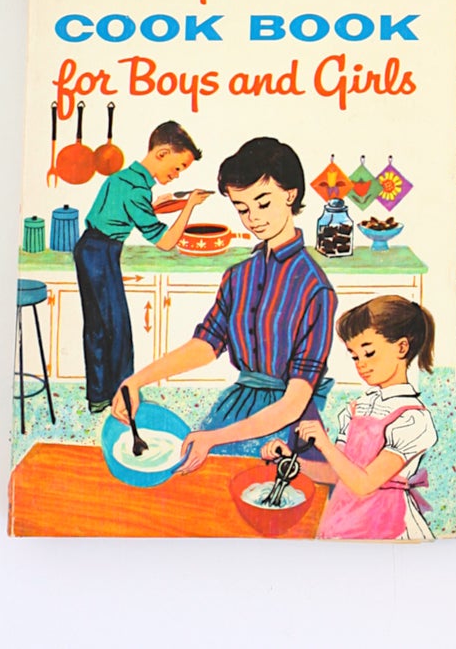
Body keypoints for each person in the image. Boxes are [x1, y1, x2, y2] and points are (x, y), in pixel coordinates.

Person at [112, 137, 337, 472]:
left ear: (290, 195)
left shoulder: (315, 288)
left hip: (286, 426)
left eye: (263, 203)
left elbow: (294, 403)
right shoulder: (238, 275)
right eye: (242, 209)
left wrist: (214, 438)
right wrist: (135, 381)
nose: (253, 218)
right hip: (235, 407)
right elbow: (207, 344)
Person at [267, 296, 437, 541]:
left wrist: (324, 444)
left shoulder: (413, 419)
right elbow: (334, 474)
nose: (361, 365)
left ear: (402, 348)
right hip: (342, 517)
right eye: (355, 357)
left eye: (369, 353)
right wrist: (289, 461)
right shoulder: (359, 408)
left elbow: (364, 484)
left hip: (384, 525)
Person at [74, 120, 207, 413]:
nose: (176, 175)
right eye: (177, 167)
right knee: (117, 328)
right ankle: (123, 396)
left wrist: (159, 206)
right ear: (161, 153)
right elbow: (166, 242)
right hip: (102, 254)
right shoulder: (136, 190)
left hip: (88, 249)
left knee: (97, 327)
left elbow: (121, 212)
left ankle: (99, 396)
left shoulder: (122, 179)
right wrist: (189, 207)